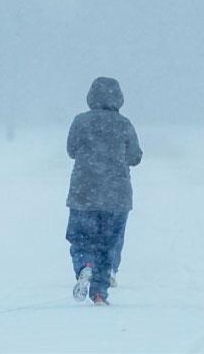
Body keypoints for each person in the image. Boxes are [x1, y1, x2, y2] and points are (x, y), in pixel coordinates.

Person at [65, 76, 142, 306]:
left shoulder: (80, 122)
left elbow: (71, 150)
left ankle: (84, 265)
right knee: (107, 244)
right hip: (116, 197)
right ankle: (99, 293)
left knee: (81, 238)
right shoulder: (124, 124)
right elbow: (135, 157)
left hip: (83, 193)